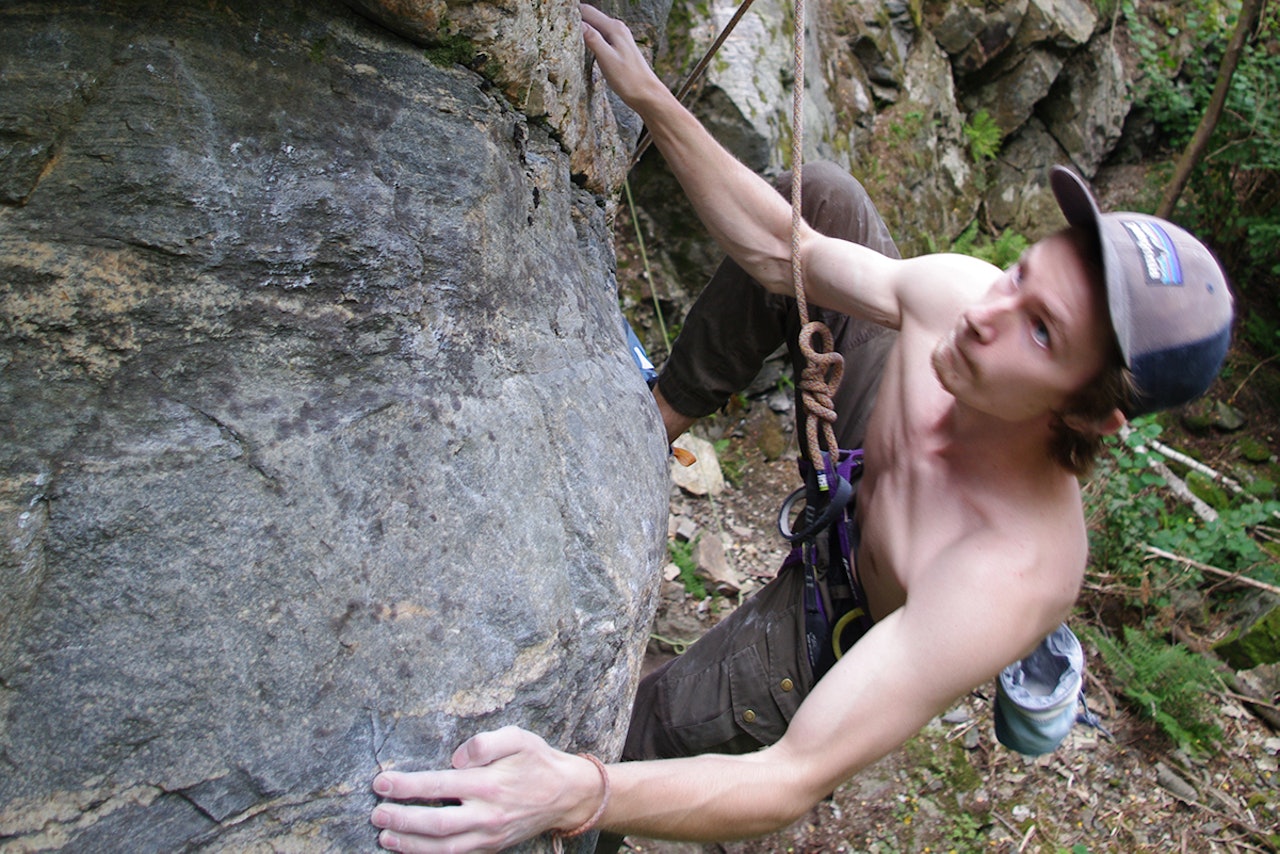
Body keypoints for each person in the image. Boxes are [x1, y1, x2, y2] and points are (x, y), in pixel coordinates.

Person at [367, 4, 1234, 851]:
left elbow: (790, 778)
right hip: (873, 457)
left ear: (1090, 413)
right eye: (1019, 276)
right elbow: (790, 253)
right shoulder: (968, 303)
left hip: (839, 610)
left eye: (1040, 330)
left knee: (650, 724)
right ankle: (660, 417)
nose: (987, 313)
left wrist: (576, 793)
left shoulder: (1006, 574)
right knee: (827, 199)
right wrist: (652, 98)